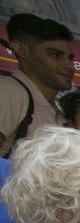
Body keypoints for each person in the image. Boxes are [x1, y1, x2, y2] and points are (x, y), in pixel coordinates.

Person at [0, 14, 72, 157]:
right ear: (21, 50)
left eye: (70, 57)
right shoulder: (9, 90)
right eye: (55, 55)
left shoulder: (54, 112)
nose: (69, 65)